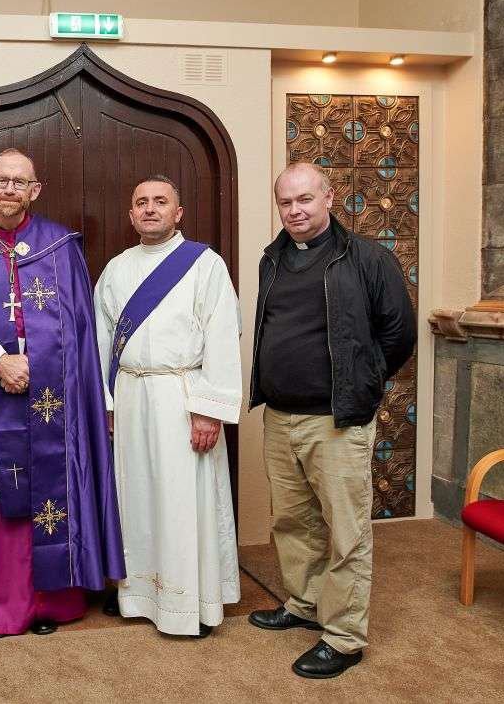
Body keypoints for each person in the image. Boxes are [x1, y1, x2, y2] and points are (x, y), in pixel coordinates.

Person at [0, 148, 125, 637]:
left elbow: (79, 332)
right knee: (1, 497)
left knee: (51, 487)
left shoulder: (60, 248)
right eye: (2, 180)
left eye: (21, 182)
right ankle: (9, 605)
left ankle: (53, 602)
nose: (10, 190)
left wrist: (36, 366)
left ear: (35, 190)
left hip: (52, 401)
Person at [248, 162, 416, 678]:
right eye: (285, 202)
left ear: (329, 197)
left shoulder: (366, 257)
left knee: (346, 531)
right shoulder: (271, 259)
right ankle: (303, 604)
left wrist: (360, 384)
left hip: (336, 421)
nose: (295, 211)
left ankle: (343, 637)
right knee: (293, 522)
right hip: (280, 417)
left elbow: (399, 335)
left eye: (305, 199)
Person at [94, 175, 242, 638]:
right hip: (132, 396)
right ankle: (137, 594)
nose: (151, 209)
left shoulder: (205, 265)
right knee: (134, 497)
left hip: (183, 396)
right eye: (141, 202)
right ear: (131, 213)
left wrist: (209, 409)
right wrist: (108, 404)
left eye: (161, 201)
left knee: (184, 501)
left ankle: (189, 603)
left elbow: (222, 339)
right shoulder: (116, 269)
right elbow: (99, 344)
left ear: (178, 212)